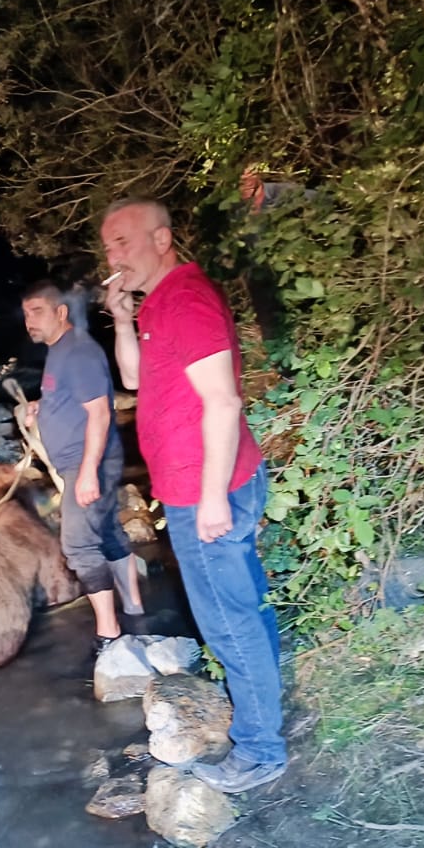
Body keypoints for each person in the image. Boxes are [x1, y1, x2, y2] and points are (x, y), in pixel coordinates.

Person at [101, 197, 285, 793]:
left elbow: (225, 402)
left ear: (162, 239)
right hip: (201, 486)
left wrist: (209, 500)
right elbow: (134, 380)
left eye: (123, 243)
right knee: (245, 605)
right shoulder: (157, 304)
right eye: (108, 248)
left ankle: (261, 749)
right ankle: (268, 704)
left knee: (228, 622)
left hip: (209, 489)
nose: (113, 256)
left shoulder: (185, 300)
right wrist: (122, 316)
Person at [20, 282, 142, 655]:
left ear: (61, 313)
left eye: (37, 311)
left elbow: (101, 413)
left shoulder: (79, 354)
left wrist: (88, 471)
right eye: (26, 314)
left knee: (78, 546)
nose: (29, 321)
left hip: (89, 461)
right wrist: (43, 405)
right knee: (106, 532)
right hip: (83, 460)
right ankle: (135, 610)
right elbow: (70, 395)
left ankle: (109, 634)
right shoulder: (60, 351)